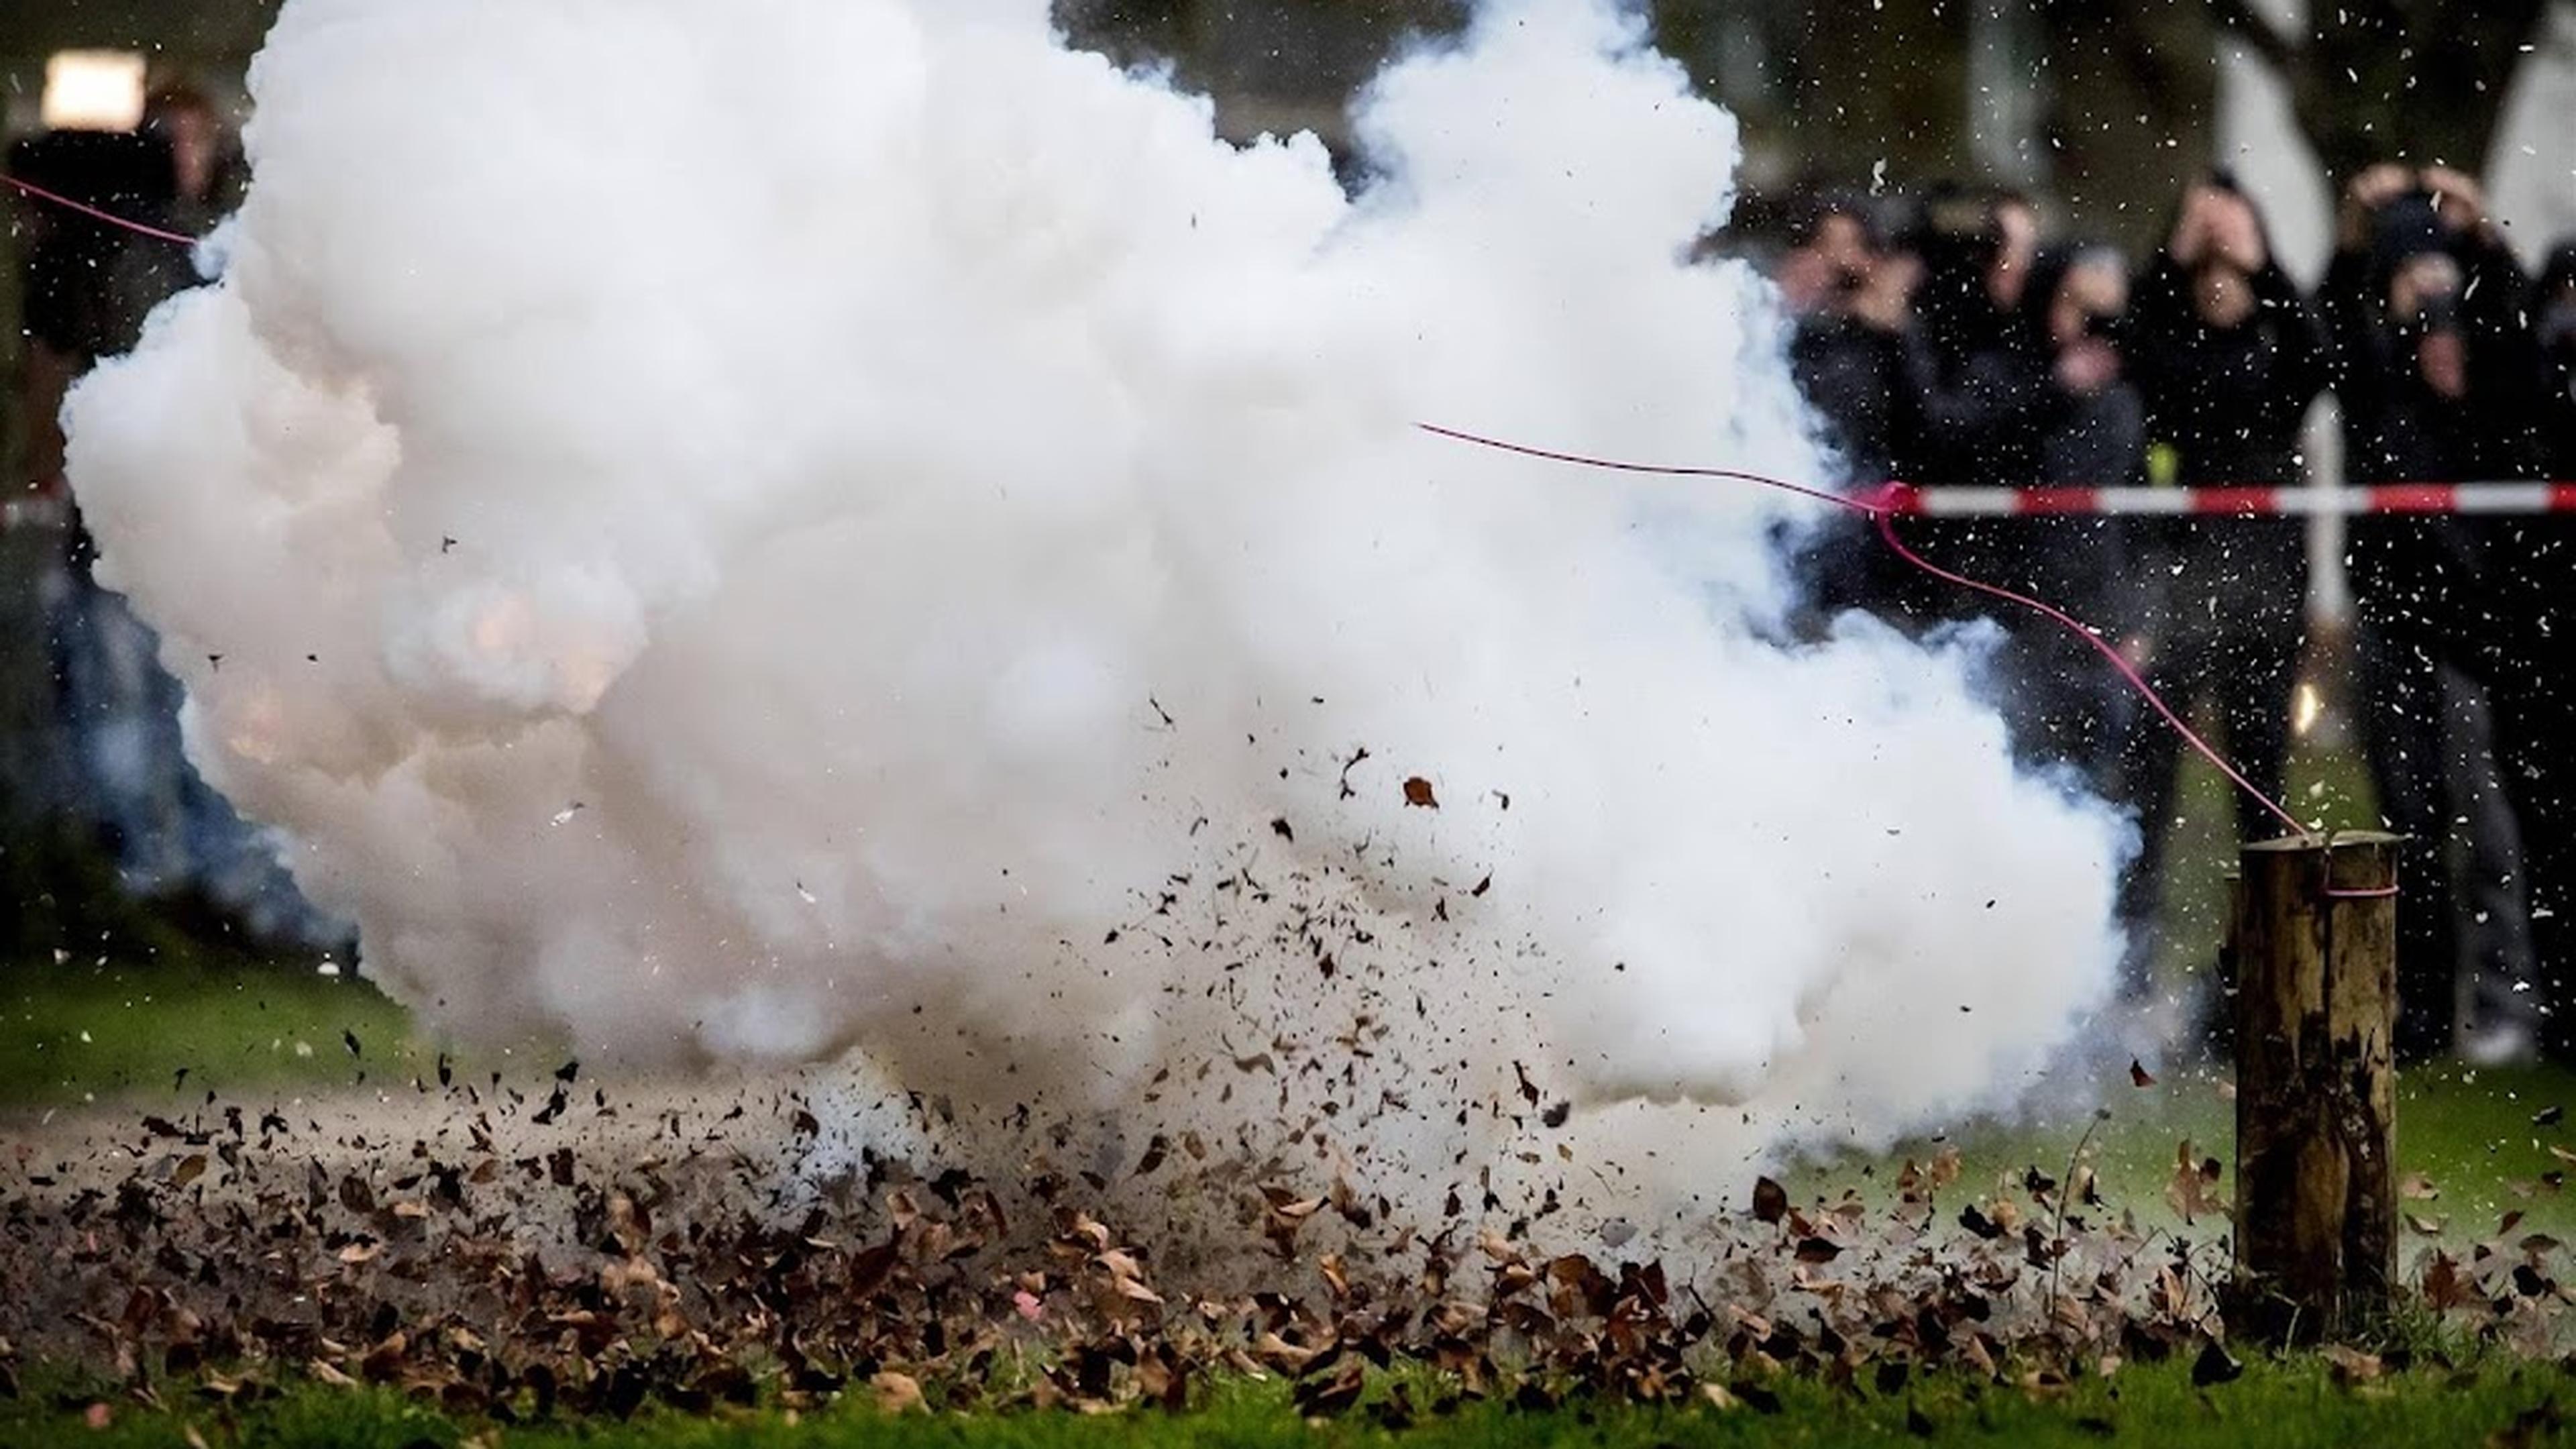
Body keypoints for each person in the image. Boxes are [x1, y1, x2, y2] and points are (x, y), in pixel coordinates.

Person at [2322, 164, 2544, 1061]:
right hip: (2393, 628)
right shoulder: (2380, 389)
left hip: (2475, 635)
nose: (2445, 346)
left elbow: (2525, 341)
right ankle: (2416, 1014)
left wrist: (2483, 232)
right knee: (2403, 829)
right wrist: (2353, 238)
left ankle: (2504, 1006)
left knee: (2488, 832)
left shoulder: (2496, 385)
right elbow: (2330, 332)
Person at [2112, 176, 2327, 999]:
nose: (2219, 283)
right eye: (2206, 274)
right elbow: (2136, 343)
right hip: (2175, 599)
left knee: (2259, 794)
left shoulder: (2278, 349)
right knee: (2148, 786)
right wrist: (2176, 254)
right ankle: (2130, 972)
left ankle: (2258, 973)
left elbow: (2319, 354)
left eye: (2231, 274)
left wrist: (2262, 261)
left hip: (2264, 605)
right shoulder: (2168, 354)